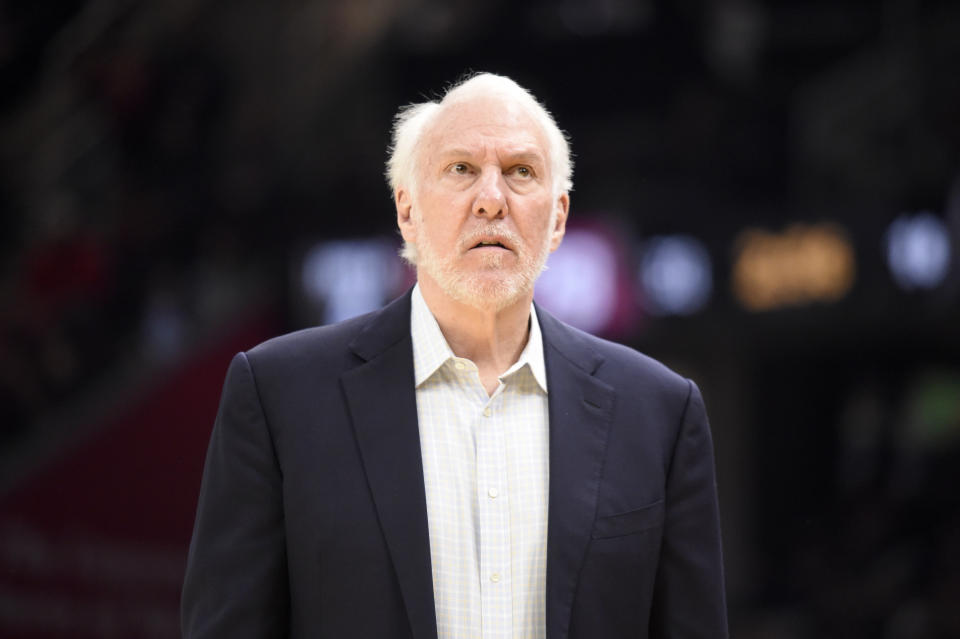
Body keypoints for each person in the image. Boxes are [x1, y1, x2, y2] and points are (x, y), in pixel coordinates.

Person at [181, 72, 728, 639]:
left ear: (558, 218)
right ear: (408, 211)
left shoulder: (660, 412)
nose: (491, 200)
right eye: (461, 169)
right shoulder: (279, 396)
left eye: (520, 172)